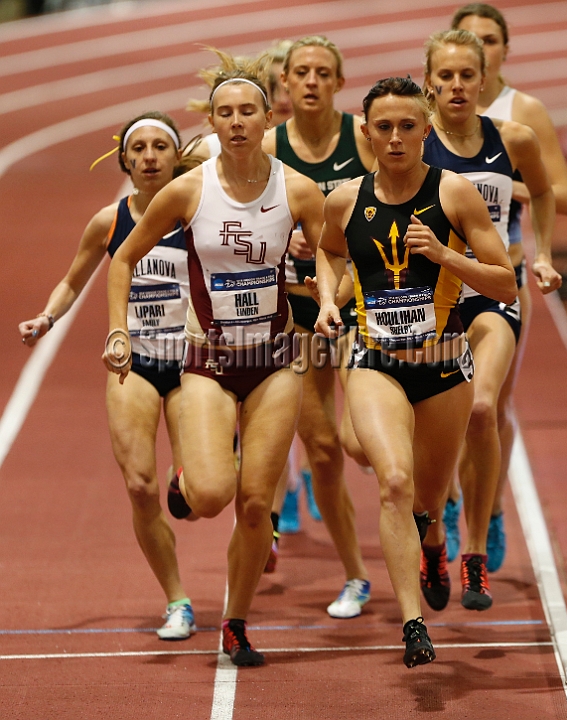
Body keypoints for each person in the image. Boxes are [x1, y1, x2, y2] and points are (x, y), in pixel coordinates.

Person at [103, 58, 325, 667]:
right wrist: (120, 331)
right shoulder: (187, 190)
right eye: (223, 113)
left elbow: (328, 254)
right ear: (211, 123)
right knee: (209, 494)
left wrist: (324, 292)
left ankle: (236, 620)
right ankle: (189, 478)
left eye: (246, 111)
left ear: (269, 118)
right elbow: (122, 259)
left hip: (277, 362)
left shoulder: (298, 189)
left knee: (256, 505)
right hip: (207, 361)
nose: (235, 122)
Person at [314, 75, 516, 665]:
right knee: (395, 483)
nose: (396, 138)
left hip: (445, 367)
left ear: (426, 131)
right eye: (384, 127)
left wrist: (447, 254)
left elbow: (504, 282)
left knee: (427, 496)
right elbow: (329, 250)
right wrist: (329, 300)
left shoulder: (454, 194)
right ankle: (412, 625)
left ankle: (434, 538)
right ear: (367, 132)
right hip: (374, 363)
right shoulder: (344, 199)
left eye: (408, 127)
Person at [19, 112, 197, 641]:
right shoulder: (109, 220)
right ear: (124, 159)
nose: (148, 157)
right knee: (140, 486)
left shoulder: (199, 212)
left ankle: (192, 472)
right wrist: (47, 318)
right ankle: (178, 601)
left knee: (197, 491)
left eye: (159, 147)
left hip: (192, 364)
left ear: (175, 154)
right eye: (137, 148)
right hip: (133, 362)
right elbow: (72, 282)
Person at [421, 29, 560, 611]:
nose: (456, 85)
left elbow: (547, 192)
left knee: (482, 408)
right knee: (429, 433)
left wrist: (545, 253)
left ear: (484, 80)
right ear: (429, 81)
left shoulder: (513, 137)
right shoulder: (410, 138)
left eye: (466, 75)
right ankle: (435, 531)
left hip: (492, 289)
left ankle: (474, 551)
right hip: (422, 298)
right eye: (445, 76)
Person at [447, 2, 567, 571]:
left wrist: (507, 190)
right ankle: (447, 502)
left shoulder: (523, 115)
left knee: (492, 407)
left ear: (503, 50)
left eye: (490, 40)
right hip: (438, 284)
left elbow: (560, 193)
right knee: (440, 408)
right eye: (468, 40)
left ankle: (489, 510)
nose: (479, 49)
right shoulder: (427, 112)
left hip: (506, 272)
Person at [262, 35, 376, 618]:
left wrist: (342, 279)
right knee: (324, 450)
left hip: (359, 307)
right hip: (295, 312)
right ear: (284, 84)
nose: (310, 81)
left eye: (322, 72)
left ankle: (434, 504)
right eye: (300, 72)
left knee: (362, 444)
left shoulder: (364, 138)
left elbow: (395, 209)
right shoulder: (265, 146)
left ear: (338, 81)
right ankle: (357, 576)